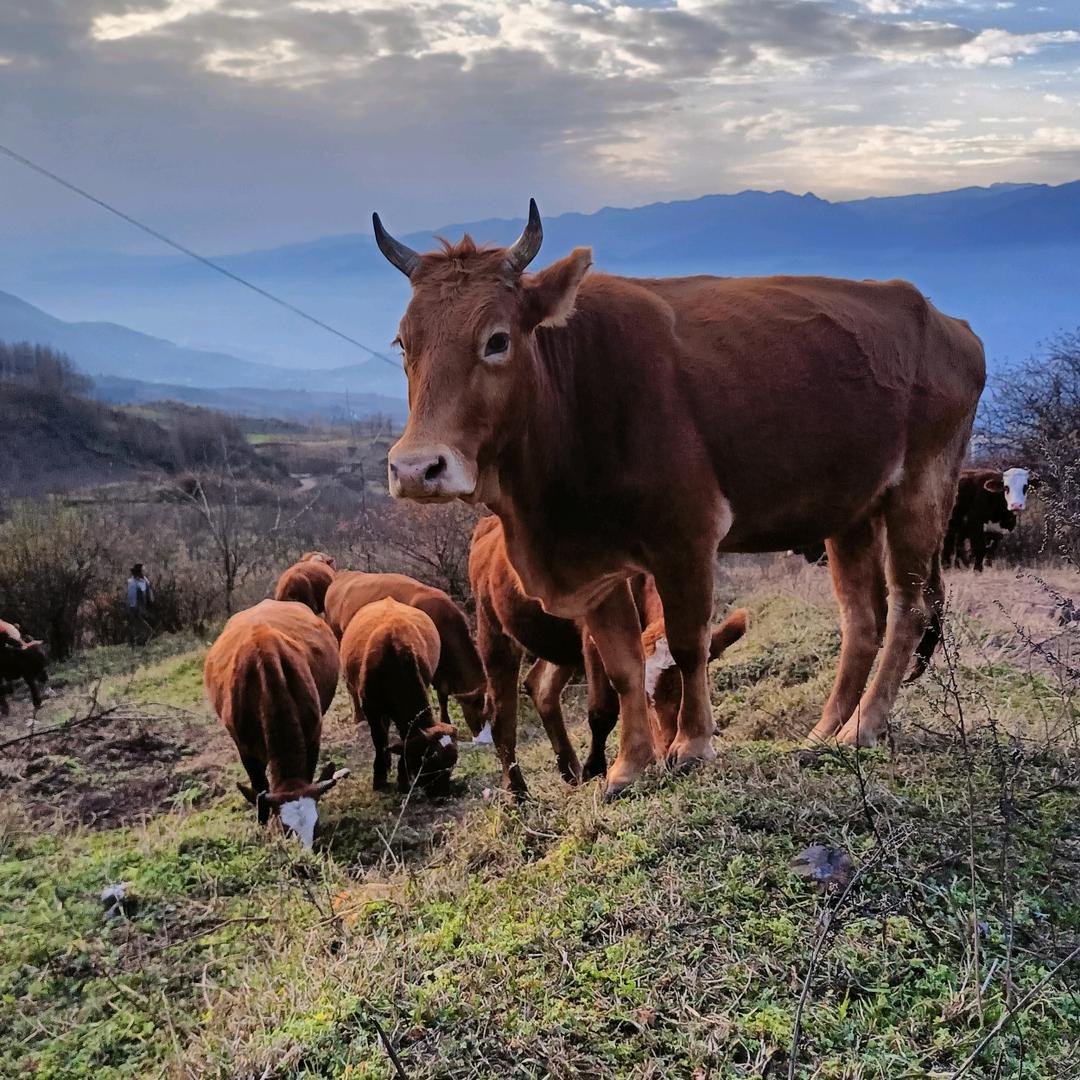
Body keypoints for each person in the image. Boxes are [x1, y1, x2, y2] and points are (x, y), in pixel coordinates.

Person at [126, 563, 154, 645]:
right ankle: (137, 644)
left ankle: (136, 643)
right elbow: (132, 599)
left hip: (138, 610)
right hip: (135, 611)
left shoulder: (141, 581)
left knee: (145, 631)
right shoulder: (134, 584)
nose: (145, 572)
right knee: (147, 631)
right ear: (139, 572)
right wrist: (136, 609)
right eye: (143, 571)